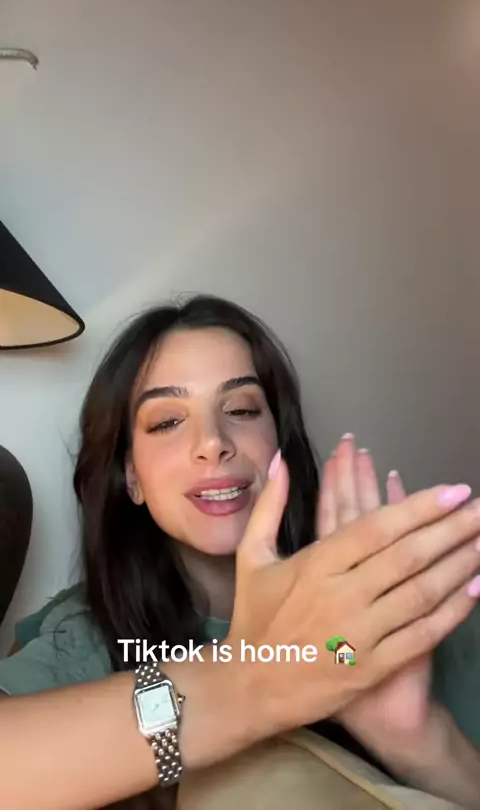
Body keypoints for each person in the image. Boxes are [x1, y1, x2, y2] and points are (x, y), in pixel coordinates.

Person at [0, 293, 479, 810]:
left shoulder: (405, 604)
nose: (213, 442)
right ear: (131, 477)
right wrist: (251, 681)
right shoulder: (82, 641)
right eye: (167, 421)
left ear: (279, 442)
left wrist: (416, 738)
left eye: (242, 409)